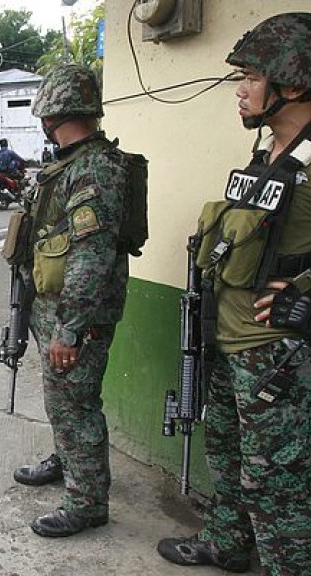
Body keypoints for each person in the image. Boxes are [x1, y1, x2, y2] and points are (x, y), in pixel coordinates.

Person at [157, 13, 311, 575]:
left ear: (291, 84)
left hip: (278, 358)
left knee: (278, 484)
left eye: (249, 77)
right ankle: (227, 543)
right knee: (229, 455)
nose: (239, 89)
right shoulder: (269, 153)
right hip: (228, 343)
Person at [11, 63, 132, 538]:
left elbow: (92, 255)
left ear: (53, 114)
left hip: (76, 313)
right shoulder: (70, 161)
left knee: (77, 404)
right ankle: (68, 462)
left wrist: (70, 329)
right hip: (54, 304)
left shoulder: (95, 167)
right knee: (63, 402)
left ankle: (86, 503)